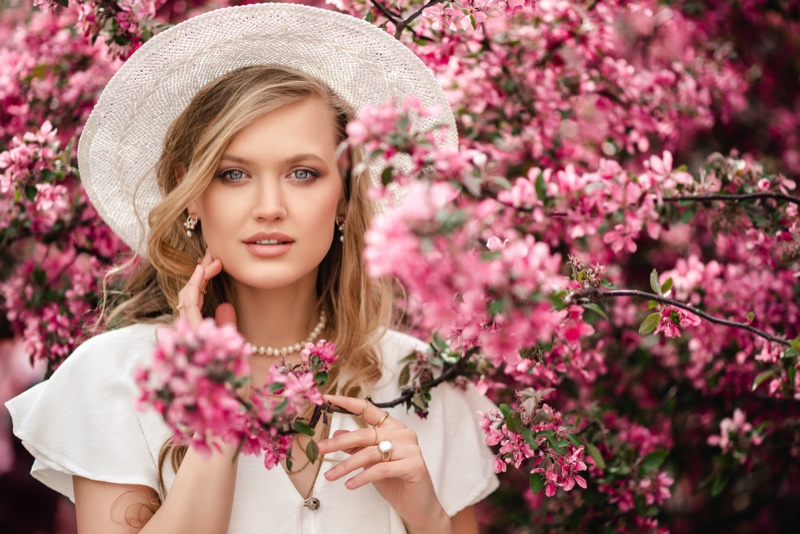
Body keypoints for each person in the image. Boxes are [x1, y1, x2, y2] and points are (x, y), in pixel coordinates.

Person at [6, 4, 498, 533]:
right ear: (191, 194)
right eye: (234, 173)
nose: (269, 206)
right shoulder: (115, 379)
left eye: (303, 173)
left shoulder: (424, 381)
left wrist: (427, 516)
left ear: (344, 196)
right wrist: (213, 416)